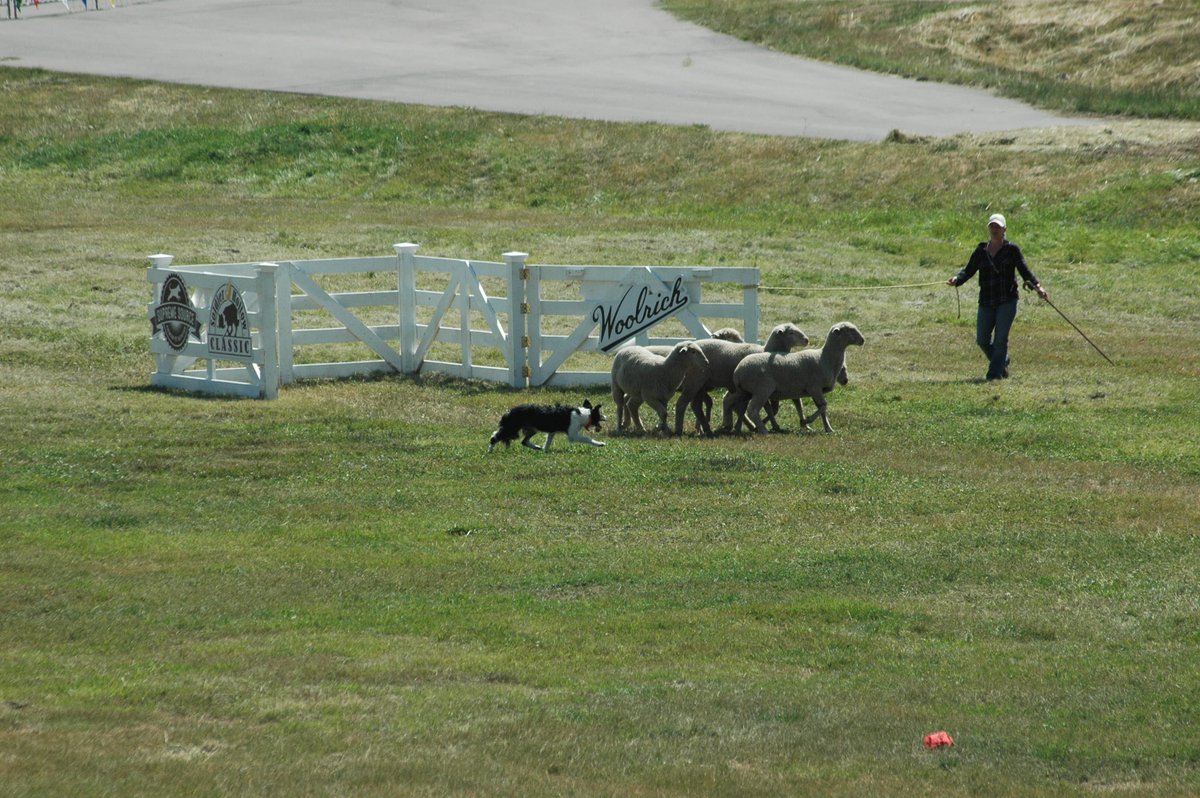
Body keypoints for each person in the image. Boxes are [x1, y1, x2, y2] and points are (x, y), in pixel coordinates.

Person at [947, 213, 1048, 381]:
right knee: (982, 339)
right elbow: (969, 270)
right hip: (986, 300)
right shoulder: (981, 251)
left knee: (1001, 339)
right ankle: (1002, 361)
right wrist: (957, 279)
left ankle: (993, 375)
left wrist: (1038, 287)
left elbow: (1024, 270)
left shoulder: (1011, 250)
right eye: (992, 227)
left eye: (998, 227)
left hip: (1007, 300)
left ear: (1004, 230)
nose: (994, 230)